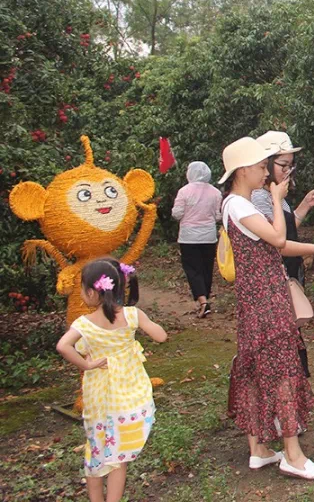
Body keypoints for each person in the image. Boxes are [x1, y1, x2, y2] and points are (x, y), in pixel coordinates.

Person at [219, 136, 314, 480]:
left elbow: (279, 244)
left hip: (255, 297)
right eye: (262, 167)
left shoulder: (235, 205)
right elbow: (277, 239)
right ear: (242, 170)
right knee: (282, 366)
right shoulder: (241, 205)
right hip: (265, 299)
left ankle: (258, 448)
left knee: (254, 366)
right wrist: (276, 200)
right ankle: (293, 455)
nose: (266, 172)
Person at [55, 258, 168, 502]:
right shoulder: (131, 315)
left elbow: (63, 346)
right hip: (128, 396)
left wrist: (86, 364)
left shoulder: (85, 323)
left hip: (99, 397)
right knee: (119, 458)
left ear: (93, 292)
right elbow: (161, 337)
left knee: (95, 450)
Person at [251, 130, 314, 377]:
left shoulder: (277, 195)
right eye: (283, 165)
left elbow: (287, 228)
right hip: (274, 278)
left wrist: (304, 206)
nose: (287, 171)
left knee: (293, 331)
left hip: (289, 273)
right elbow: (278, 242)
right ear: (267, 163)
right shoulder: (259, 198)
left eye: (291, 166)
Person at [171, 161, 222, 318]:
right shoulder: (215, 192)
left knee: (193, 269)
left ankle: (203, 301)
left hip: (189, 237)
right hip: (209, 236)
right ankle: (205, 298)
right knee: (206, 268)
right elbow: (219, 215)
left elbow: (177, 213)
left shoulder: (184, 191)